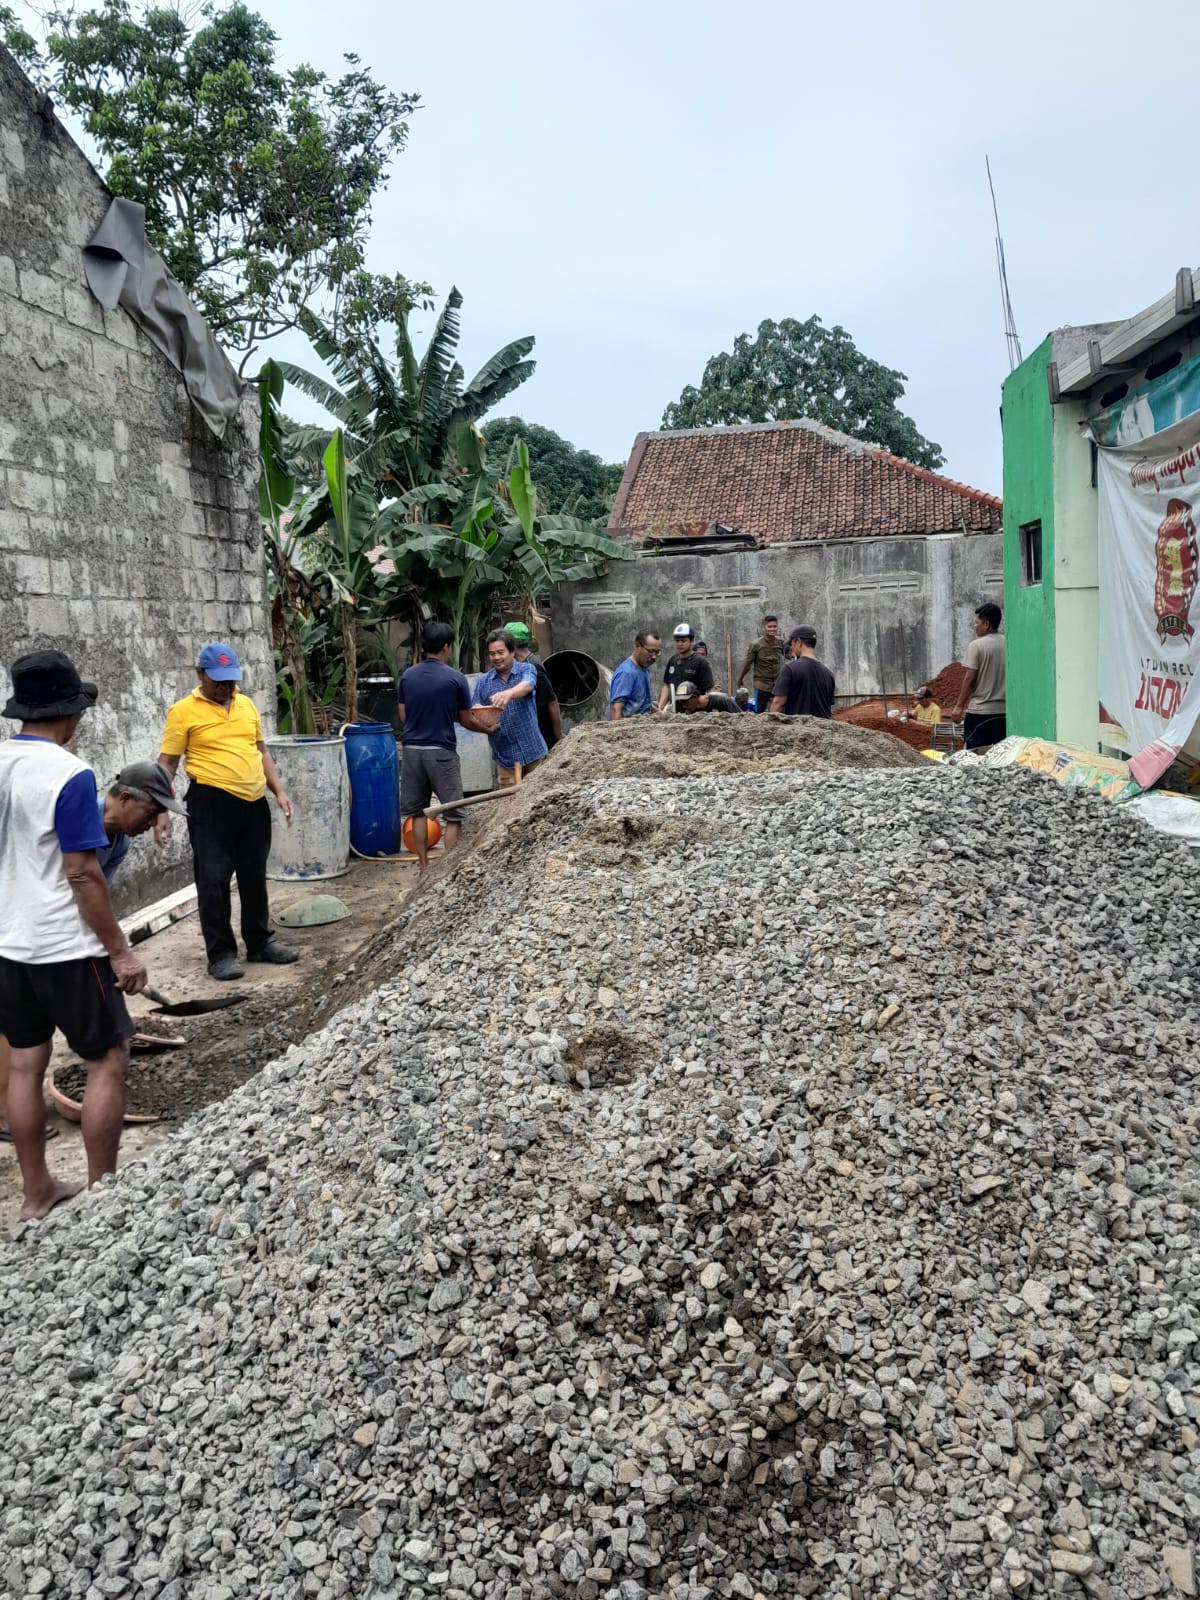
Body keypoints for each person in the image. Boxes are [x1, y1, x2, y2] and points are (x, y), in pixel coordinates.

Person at [0, 651, 149, 1220]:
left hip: (8, 946)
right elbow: (83, 871)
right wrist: (120, 950)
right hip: (64, 945)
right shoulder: (69, 774)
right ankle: (104, 1202)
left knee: (23, 1065)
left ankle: (36, 1194)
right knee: (107, 1058)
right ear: (70, 715)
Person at [157, 643, 297, 981]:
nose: (225, 687)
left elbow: (261, 751)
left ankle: (260, 942)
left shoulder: (246, 705)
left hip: (252, 803)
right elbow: (167, 764)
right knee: (213, 880)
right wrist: (161, 809)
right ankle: (220, 953)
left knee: (253, 875)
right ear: (200, 674)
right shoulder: (183, 711)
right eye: (218, 680)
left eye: (230, 680)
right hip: (210, 804)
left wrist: (278, 791)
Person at [397, 622, 490, 873]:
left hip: (412, 751)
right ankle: (449, 873)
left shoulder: (408, 676)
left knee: (417, 813)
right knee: (453, 813)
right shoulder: (455, 678)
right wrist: (488, 729)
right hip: (441, 752)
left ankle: (424, 868)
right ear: (446, 647)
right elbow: (467, 719)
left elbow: (403, 714)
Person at [471, 629, 548, 785]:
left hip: (534, 753)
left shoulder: (526, 669)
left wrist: (508, 693)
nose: (497, 657)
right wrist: (480, 715)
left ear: (512, 652)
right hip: (505, 759)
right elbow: (473, 711)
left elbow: (528, 684)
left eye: (501, 652)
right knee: (509, 805)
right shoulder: (483, 682)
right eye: (492, 654)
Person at [947, 603, 1006, 749]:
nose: (975, 626)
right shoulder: (1009, 642)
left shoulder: (977, 645)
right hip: (1004, 713)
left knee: (974, 758)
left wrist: (959, 706)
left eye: (977, 622)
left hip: (980, 713)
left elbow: (970, 678)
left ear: (986, 624)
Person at [505, 621, 563, 751]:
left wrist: (558, 736)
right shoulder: (517, 665)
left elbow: (552, 701)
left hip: (541, 735)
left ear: (511, 644)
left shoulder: (534, 667)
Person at [769, 626, 835, 717]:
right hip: (822, 729)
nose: (791, 647)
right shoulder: (828, 673)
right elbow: (827, 708)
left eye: (792, 643)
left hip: (798, 728)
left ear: (799, 642)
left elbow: (778, 703)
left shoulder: (789, 669)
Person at [659, 623, 714, 712]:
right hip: (675, 712)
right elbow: (666, 686)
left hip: (695, 714)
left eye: (683, 641)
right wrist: (660, 709)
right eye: (677, 641)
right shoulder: (672, 661)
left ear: (691, 641)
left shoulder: (701, 662)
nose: (680, 644)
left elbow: (710, 690)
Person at [737, 615, 786, 712]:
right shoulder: (756, 644)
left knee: (778, 712)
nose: (772, 629)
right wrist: (740, 678)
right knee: (759, 712)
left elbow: (789, 654)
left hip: (777, 684)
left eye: (774, 626)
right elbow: (748, 663)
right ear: (764, 627)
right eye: (770, 627)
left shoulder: (781, 642)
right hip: (761, 685)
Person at [609, 631, 661, 720]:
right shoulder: (627, 673)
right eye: (651, 651)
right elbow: (615, 709)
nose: (654, 657)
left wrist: (663, 715)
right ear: (637, 646)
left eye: (657, 652)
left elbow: (644, 705)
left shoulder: (644, 669)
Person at [674, 682, 742, 713]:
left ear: (694, 697)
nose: (684, 706)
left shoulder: (721, 700)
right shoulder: (690, 711)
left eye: (685, 702)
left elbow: (742, 718)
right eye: (681, 702)